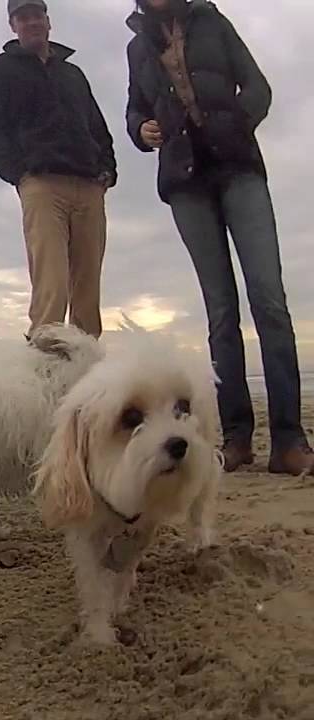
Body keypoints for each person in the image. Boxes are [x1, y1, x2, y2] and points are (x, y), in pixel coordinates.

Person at [124, 0, 312, 475]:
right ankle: (237, 439)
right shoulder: (135, 46)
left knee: (268, 299)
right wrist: (141, 130)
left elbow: (258, 88)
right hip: (186, 182)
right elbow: (135, 111)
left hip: (238, 170)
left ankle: (289, 440)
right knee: (220, 311)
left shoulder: (212, 21)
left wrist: (233, 124)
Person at [0, 0, 118, 341]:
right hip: (41, 185)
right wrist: (20, 174)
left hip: (89, 186)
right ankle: (43, 379)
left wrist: (107, 171)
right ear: (13, 26)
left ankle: (87, 380)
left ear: (48, 21)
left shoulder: (73, 74)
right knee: (51, 286)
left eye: (36, 15)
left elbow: (97, 127)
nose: (31, 23)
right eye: (22, 18)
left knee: (88, 295)